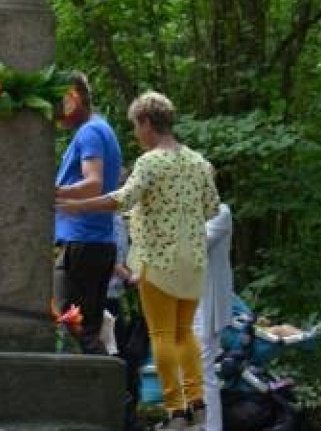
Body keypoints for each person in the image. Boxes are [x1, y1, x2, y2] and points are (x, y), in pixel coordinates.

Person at [57, 91, 220, 431]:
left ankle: (176, 411)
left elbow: (122, 199)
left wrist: (78, 206)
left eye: (136, 126)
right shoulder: (199, 162)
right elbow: (212, 209)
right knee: (184, 333)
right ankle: (197, 402)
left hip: (157, 261)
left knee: (162, 334)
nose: (135, 134)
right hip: (193, 261)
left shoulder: (149, 162)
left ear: (147, 122)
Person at [53, 72, 123, 354]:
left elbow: (93, 183)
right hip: (96, 243)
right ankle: (104, 378)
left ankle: (104, 379)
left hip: (81, 243)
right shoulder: (102, 128)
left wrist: (54, 192)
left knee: (73, 327)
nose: (57, 116)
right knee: (87, 329)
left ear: (75, 98)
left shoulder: (90, 132)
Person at [192, 194, 233, 431]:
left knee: (202, 369)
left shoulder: (220, 212)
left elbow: (198, 245)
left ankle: (212, 427)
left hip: (207, 303)